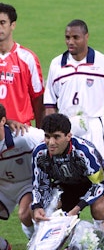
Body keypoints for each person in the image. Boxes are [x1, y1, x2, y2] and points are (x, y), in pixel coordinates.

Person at [43, 19, 104, 165]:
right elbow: (50, 103)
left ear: (86, 37)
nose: (70, 42)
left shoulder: (102, 63)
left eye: (75, 37)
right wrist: (53, 132)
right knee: (67, 171)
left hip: (94, 126)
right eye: (67, 37)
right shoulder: (56, 64)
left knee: (100, 170)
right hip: (65, 129)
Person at [31, 113, 104, 227]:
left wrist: (78, 207)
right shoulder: (40, 153)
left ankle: (101, 237)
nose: (51, 142)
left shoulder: (84, 151)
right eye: (47, 136)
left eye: (56, 137)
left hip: (96, 182)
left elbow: (100, 183)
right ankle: (65, 239)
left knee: (99, 206)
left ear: (68, 136)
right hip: (67, 185)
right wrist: (37, 206)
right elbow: (40, 184)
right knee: (50, 207)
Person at [0, 103, 45, 247]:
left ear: (2, 121)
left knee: (25, 214)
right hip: (2, 185)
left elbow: (51, 138)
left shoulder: (24, 136)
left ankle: (37, 243)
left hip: (26, 183)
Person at [0, 3, 44, 128]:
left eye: (2, 22)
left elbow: (38, 100)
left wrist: (41, 135)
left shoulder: (27, 58)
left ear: (12, 25)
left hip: (21, 132)